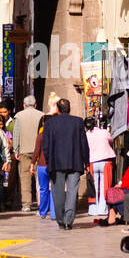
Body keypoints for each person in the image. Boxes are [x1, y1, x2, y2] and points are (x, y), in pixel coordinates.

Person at [41, 98, 90, 231]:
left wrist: (48, 159)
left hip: (56, 163)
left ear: (57, 108)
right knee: (72, 191)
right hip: (75, 161)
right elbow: (83, 143)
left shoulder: (50, 123)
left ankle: (61, 220)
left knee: (58, 192)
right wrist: (86, 161)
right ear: (69, 108)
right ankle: (69, 220)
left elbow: (45, 145)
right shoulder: (78, 122)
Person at [12, 95, 41, 212]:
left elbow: (16, 134)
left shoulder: (18, 116)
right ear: (35, 105)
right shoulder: (41, 115)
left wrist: (16, 149)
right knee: (39, 178)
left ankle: (26, 204)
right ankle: (41, 202)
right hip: (38, 151)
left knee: (24, 178)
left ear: (24, 105)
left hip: (24, 150)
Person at [85, 117, 116, 218]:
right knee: (104, 186)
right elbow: (111, 141)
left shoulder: (86, 135)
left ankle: (93, 209)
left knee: (93, 187)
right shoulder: (104, 132)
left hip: (92, 162)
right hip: (105, 160)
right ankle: (103, 209)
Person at [31, 117, 56, 222]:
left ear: (43, 123)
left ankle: (43, 212)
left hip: (42, 165)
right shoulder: (56, 136)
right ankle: (54, 214)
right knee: (54, 189)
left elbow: (36, 151)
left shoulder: (40, 136)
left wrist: (32, 164)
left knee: (43, 189)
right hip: (53, 166)